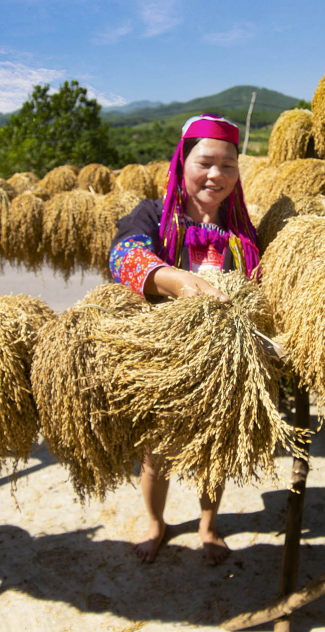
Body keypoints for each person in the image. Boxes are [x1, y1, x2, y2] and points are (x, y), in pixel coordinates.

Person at [108, 113, 261, 565]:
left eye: (228, 165)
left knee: (213, 447)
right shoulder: (154, 215)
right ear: (182, 162)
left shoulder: (241, 230)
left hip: (220, 368)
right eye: (205, 162)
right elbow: (124, 255)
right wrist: (171, 278)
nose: (216, 174)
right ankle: (157, 523)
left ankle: (208, 524)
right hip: (165, 363)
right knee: (158, 454)